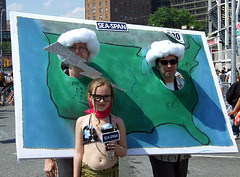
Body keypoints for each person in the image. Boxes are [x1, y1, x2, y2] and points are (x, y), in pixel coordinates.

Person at [44, 28, 100, 177]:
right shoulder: (55, 83)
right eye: (72, 48)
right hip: (65, 148)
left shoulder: (99, 83)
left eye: (81, 48)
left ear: (89, 53)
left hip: (93, 147)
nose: (77, 52)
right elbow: (50, 120)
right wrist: (49, 157)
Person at [146, 40, 190, 177]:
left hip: (183, 150)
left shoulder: (185, 86)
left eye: (173, 62)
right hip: (161, 151)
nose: (169, 65)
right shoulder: (151, 88)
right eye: (164, 63)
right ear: (158, 66)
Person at [74, 77, 127, 177]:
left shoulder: (118, 122)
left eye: (106, 97)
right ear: (90, 97)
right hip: (89, 172)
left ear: (111, 97)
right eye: (97, 97)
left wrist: (117, 148)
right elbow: (78, 153)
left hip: (111, 172)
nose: (102, 101)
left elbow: (123, 152)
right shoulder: (82, 121)